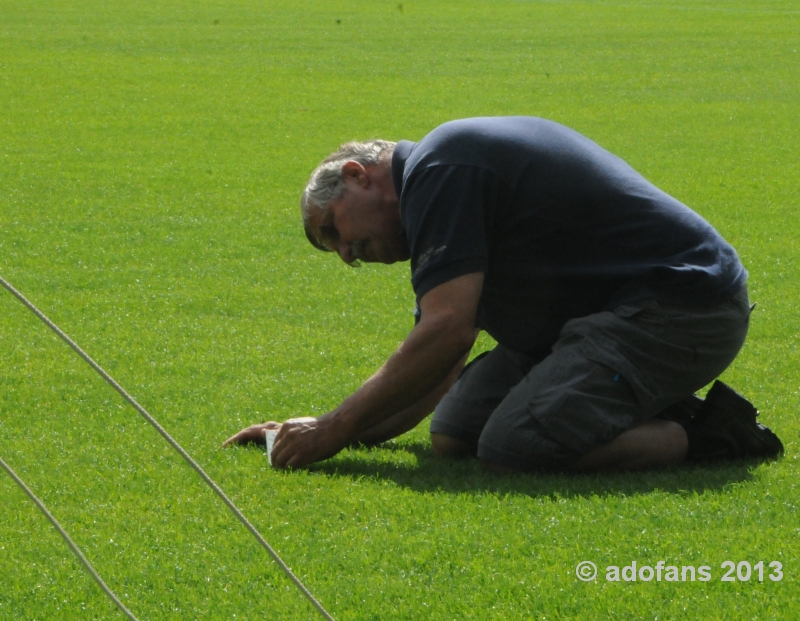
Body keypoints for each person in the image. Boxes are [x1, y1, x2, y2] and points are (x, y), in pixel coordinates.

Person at [223, 117, 782, 471]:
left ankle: (709, 434)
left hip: (679, 307)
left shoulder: (444, 168)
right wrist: (320, 431)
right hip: (602, 320)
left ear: (357, 175)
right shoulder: (437, 194)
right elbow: (439, 359)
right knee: (454, 433)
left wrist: (334, 427)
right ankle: (625, 403)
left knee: (514, 444)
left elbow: (448, 330)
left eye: (333, 232)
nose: (345, 255)